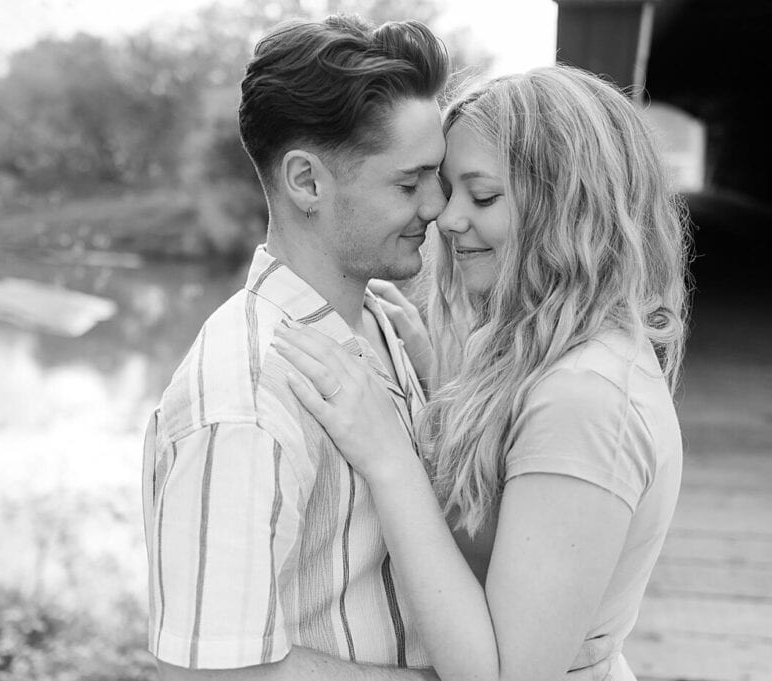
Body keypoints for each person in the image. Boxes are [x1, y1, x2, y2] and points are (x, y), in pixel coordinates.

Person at [141, 15, 615, 681]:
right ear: (307, 182)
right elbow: (206, 674)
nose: (439, 207)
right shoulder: (242, 398)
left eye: (438, 177)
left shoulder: (383, 325)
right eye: (409, 182)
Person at [275, 63, 691, 681]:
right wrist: (437, 380)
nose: (446, 218)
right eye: (449, 191)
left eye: (484, 196)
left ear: (570, 208)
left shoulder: (584, 400)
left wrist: (388, 454)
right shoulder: (558, 355)